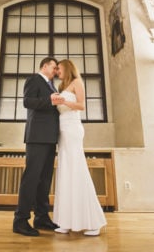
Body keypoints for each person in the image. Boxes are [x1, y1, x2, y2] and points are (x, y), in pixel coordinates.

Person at [52, 59, 107, 236]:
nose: (56, 71)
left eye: (58, 68)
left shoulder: (77, 82)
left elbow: (82, 106)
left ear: (67, 68)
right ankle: (66, 221)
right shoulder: (61, 87)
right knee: (66, 172)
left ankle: (94, 222)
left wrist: (64, 102)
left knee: (77, 170)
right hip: (62, 130)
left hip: (73, 129)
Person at [13, 57, 62, 236]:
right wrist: (50, 100)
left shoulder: (52, 86)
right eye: (54, 67)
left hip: (50, 138)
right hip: (37, 136)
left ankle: (41, 217)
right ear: (44, 66)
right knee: (31, 178)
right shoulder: (34, 79)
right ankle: (20, 220)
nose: (56, 71)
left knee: (45, 180)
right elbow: (28, 102)